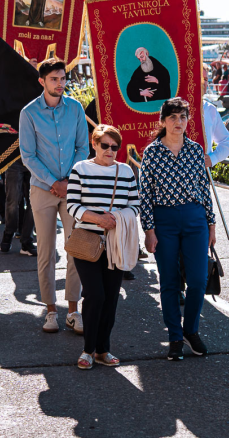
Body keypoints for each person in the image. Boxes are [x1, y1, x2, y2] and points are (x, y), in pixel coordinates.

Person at [139, 97, 215, 360]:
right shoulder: (152, 152)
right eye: (172, 117)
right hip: (164, 221)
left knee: (197, 280)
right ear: (162, 121)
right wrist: (149, 230)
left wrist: (211, 223)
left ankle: (190, 331)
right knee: (169, 281)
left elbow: (204, 190)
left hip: (195, 220)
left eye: (183, 117)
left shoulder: (196, 151)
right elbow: (145, 194)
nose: (178, 122)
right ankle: (174, 336)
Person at [19, 57, 88, 335]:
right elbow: (28, 155)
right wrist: (53, 183)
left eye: (63, 79)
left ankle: (73, 311)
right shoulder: (29, 113)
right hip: (42, 190)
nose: (60, 84)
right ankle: (50, 311)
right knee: (46, 251)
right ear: (42, 81)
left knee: (75, 249)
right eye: (54, 79)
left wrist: (69, 180)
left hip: (72, 189)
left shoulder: (75, 108)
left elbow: (83, 147)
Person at [66, 124, 140, 369]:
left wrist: (117, 218)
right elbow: (72, 206)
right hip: (87, 241)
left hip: (115, 242)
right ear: (94, 144)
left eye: (115, 147)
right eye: (105, 145)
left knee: (110, 299)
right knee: (95, 295)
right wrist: (98, 219)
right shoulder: (80, 169)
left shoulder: (126, 172)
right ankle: (87, 350)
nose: (110, 151)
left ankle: (102, 350)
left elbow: (135, 205)